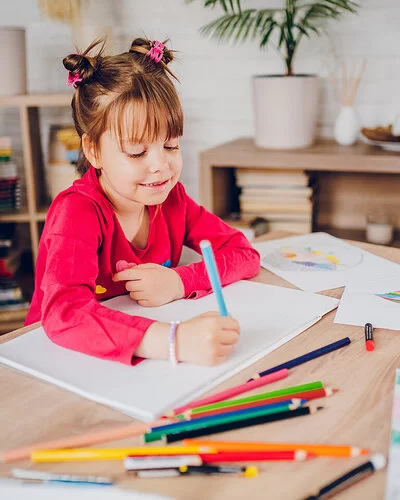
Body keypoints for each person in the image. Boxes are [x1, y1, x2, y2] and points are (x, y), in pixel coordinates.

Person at [25, 38, 260, 366]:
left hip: (136, 362)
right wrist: (174, 340)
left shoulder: (172, 199)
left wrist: (179, 281)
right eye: (137, 152)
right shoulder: (76, 211)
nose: (160, 165)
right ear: (93, 150)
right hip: (56, 362)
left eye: (171, 145)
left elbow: (244, 254)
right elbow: (65, 313)